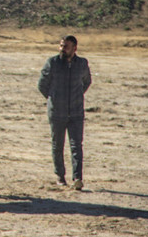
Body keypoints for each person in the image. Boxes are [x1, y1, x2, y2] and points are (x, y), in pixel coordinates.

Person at [38, 36, 91, 191]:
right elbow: (42, 85)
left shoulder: (82, 63)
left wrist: (76, 97)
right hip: (57, 112)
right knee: (57, 145)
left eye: (66, 46)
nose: (62, 49)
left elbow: (87, 82)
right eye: (61, 46)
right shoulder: (52, 63)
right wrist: (53, 99)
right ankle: (60, 176)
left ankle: (77, 178)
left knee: (76, 145)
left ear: (75, 48)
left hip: (76, 112)